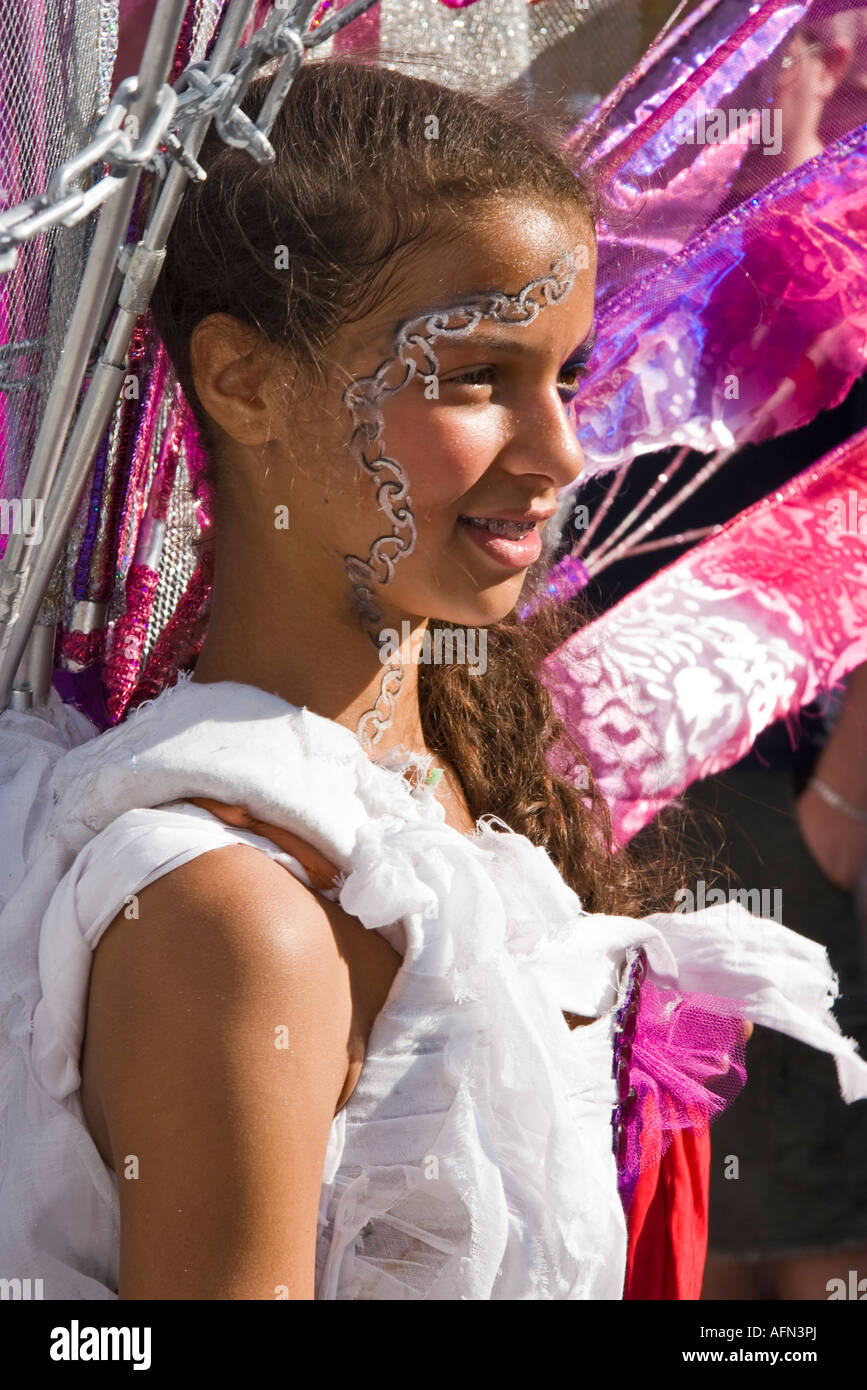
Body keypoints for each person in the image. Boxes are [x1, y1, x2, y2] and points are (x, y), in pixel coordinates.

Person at [2, 57, 865, 1303]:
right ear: (244, 381)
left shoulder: (471, 791)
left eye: (565, 376)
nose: (561, 449)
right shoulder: (233, 916)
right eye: (476, 376)